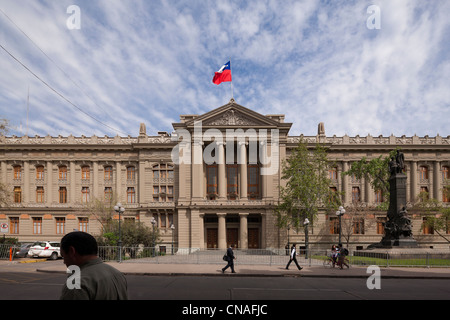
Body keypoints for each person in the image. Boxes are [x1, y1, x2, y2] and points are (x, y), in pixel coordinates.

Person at [59, 231, 128, 300]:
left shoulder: (76, 283)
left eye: (63, 256)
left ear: (71, 251)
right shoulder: (117, 273)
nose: (64, 262)